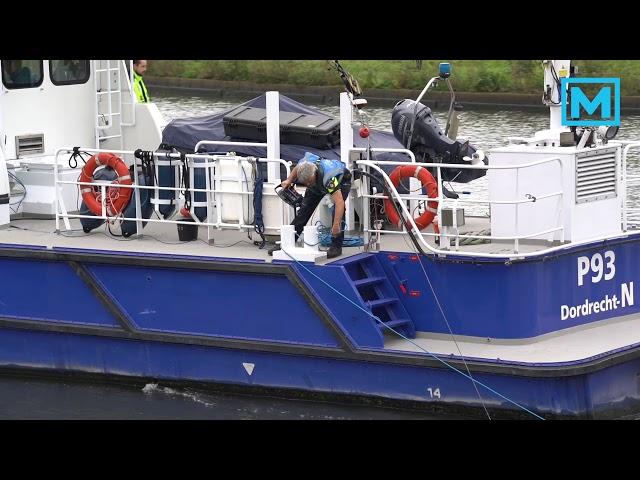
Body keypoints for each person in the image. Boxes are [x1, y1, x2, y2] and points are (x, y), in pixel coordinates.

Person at [272, 152, 352, 259]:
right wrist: (289, 180)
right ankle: (288, 241)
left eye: (309, 182)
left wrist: (336, 225)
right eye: (306, 183)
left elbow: (339, 203)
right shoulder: (304, 166)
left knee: (336, 211)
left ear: (314, 174)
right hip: (317, 184)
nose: (308, 185)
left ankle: (336, 245)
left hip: (341, 181)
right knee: (304, 211)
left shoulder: (330, 179)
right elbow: (297, 169)